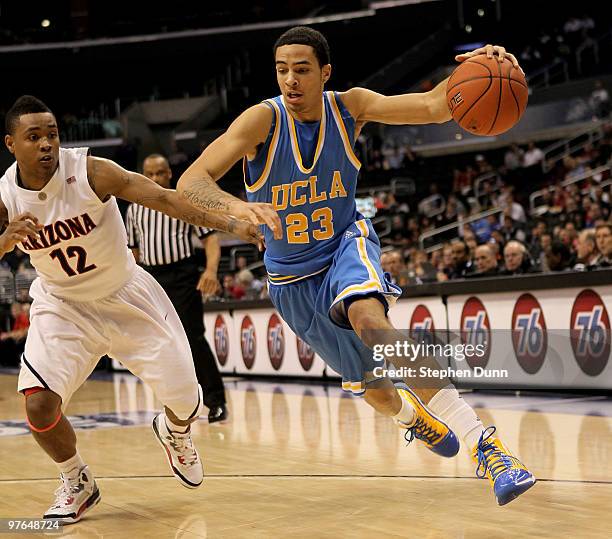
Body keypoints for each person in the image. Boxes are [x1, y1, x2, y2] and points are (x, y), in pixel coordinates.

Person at [176, 27, 535, 506]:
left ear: (325, 73)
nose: (290, 79)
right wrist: (237, 209)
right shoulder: (262, 120)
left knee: (371, 322)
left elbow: (434, 106)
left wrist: (477, 69)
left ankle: (486, 447)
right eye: (282, 69)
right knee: (379, 392)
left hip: (345, 245)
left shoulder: (351, 107)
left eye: (302, 69)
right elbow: (190, 181)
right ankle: (415, 419)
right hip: (291, 280)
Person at [0, 96, 264, 524]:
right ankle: (76, 480)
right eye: (34, 137)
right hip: (63, 304)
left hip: (125, 293)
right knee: (38, 406)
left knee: (186, 399)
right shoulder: (5, 197)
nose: (47, 143)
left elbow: (165, 198)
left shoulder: (91, 172)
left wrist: (233, 223)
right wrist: (4, 241)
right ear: (11, 144)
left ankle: (175, 431)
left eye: (52, 133)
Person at [125, 154, 228, 423]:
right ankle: (178, 403)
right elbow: (133, 252)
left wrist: (211, 270)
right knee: (161, 342)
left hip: (182, 275)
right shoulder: (134, 209)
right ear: (142, 175)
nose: (155, 179)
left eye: (160, 173)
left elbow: (210, 240)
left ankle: (215, 400)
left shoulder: (182, 201)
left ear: (169, 174)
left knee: (193, 337)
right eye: (150, 174)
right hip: (151, 277)